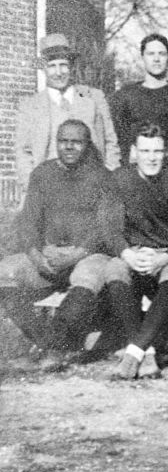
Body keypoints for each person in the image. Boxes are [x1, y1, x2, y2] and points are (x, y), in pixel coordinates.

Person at [0, 120, 123, 367]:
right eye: (63, 141)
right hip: (48, 255)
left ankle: (55, 348)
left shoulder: (103, 177)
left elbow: (106, 228)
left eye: (76, 142)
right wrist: (36, 256)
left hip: (87, 254)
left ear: (87, 144)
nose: (68, 147)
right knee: (5, 273)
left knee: (88, 277)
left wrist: (75, 255)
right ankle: (47, 340)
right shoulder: (42, 173)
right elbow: (28, 221)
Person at [109, 124, 168, 380]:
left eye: (157, 151)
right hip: (135, 252)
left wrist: (164, 258)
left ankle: (134, 352)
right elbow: (109, 228)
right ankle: (146, 352)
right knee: (114, 270)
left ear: (165, 153)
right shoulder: (119, 179)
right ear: (134, 152)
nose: (151, 158)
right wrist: (127, 254)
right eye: (145, 151)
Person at [15, 33, 119, 192]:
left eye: (63, 65)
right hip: (48, 191)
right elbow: (23, 152)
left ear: (71, 66)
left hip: (91, 188)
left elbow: (111, 143)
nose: (58, 72)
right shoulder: (30, 106)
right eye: (52, 66)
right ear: (43, 69)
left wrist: (108, 182)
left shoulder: (94, 98)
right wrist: (33, 190)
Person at [109, 33, 168, 172]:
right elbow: (120, 140)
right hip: (137, 170)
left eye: (162, 54)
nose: (156, 59)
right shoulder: (125, 96)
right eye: (151, 54)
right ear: (142, 57)